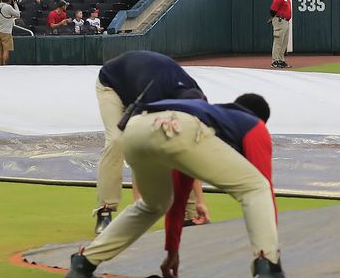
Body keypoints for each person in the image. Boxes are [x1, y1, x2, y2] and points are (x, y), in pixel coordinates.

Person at [66, 93, 285, 278]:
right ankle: (269, 266)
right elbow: (264, 188)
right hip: (179, 126)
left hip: (135, 128)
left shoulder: (211, 119)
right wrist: (271, 249)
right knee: (256, 188)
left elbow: (178, 198)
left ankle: (83, 263)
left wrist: (172, 250)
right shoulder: (253, 124)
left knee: (153, 204)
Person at [92, 51, 204, 234]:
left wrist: (200, 203)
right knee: (118, 140)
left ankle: (190, 214)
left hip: (140, 79)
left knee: (179, 147)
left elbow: (190, 154)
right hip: (112, 83)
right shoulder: (155, 96)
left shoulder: (197, 98)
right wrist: (138, 205)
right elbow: (138, 145)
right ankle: (105, 210)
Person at [269, 0, 292, 69]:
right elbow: (272, 10)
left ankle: (281, 60)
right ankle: (275, 61)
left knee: (284, 42)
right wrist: (273, 18)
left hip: (285, 21)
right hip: (280, 20)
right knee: (278, 41)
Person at [0, 0, 19, 64]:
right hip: (6, 32)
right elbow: (18, 14)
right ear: (10, 0)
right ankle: (5, 66)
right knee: (6, 50)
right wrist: (15, 4)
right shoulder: (8, 7)